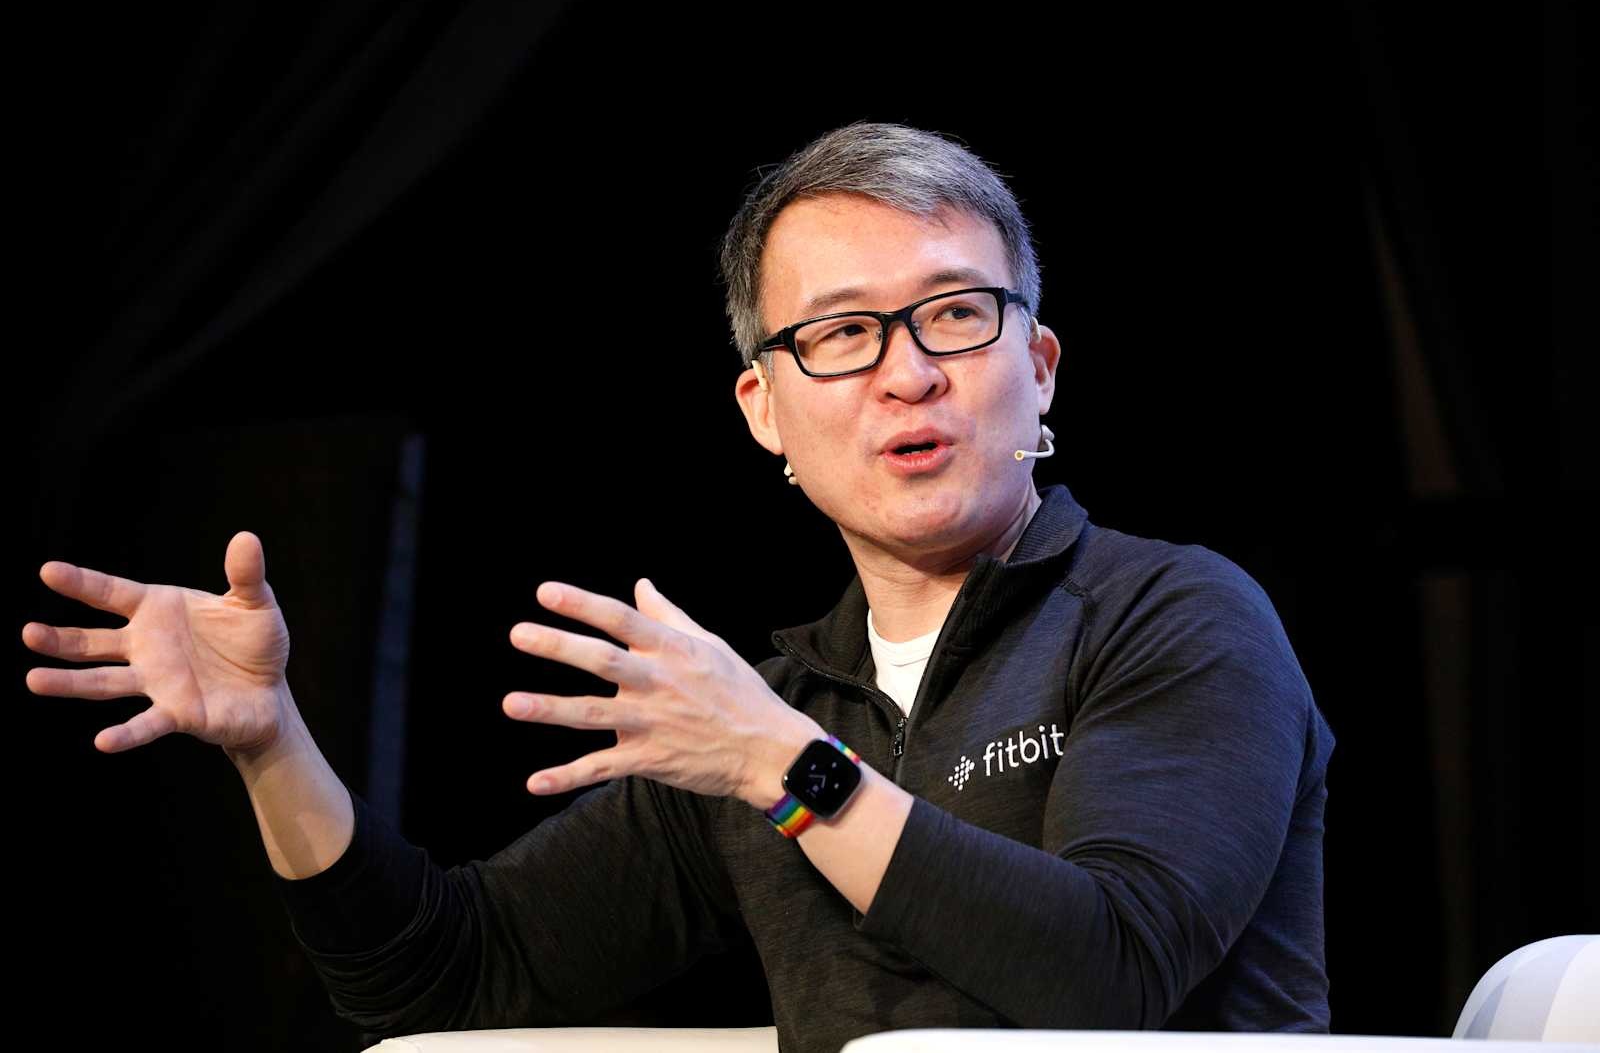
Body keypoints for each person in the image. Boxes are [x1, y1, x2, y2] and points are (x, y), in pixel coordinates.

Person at [23, 122, 1334, 1053]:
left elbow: (1110, 976)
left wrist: (786, 770)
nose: (908, 373)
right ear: (765, 411)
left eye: (954, 314)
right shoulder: (772, 711)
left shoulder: (1171, 617)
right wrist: (271, 745)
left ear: (1038, 369)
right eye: (842, 334)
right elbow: (441, 978)